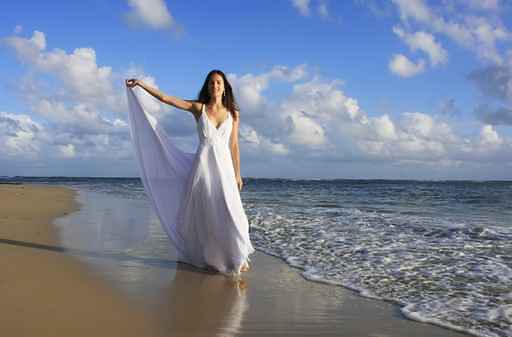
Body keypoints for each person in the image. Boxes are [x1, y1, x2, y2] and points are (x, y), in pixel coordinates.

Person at [125, 70, 254, 276]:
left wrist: (238, 174)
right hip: (203, 169)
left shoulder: (233, 112)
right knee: (207, 214)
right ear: (207, 86)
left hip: (225, 170)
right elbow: (167, 99)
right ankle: (213, 257)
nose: (215, 86)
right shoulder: (198, 108)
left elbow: (234, 146)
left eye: (218, 82)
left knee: (232, 212)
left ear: (224, 86)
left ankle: (237, 255)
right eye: (211, 83)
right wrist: (141, 85)